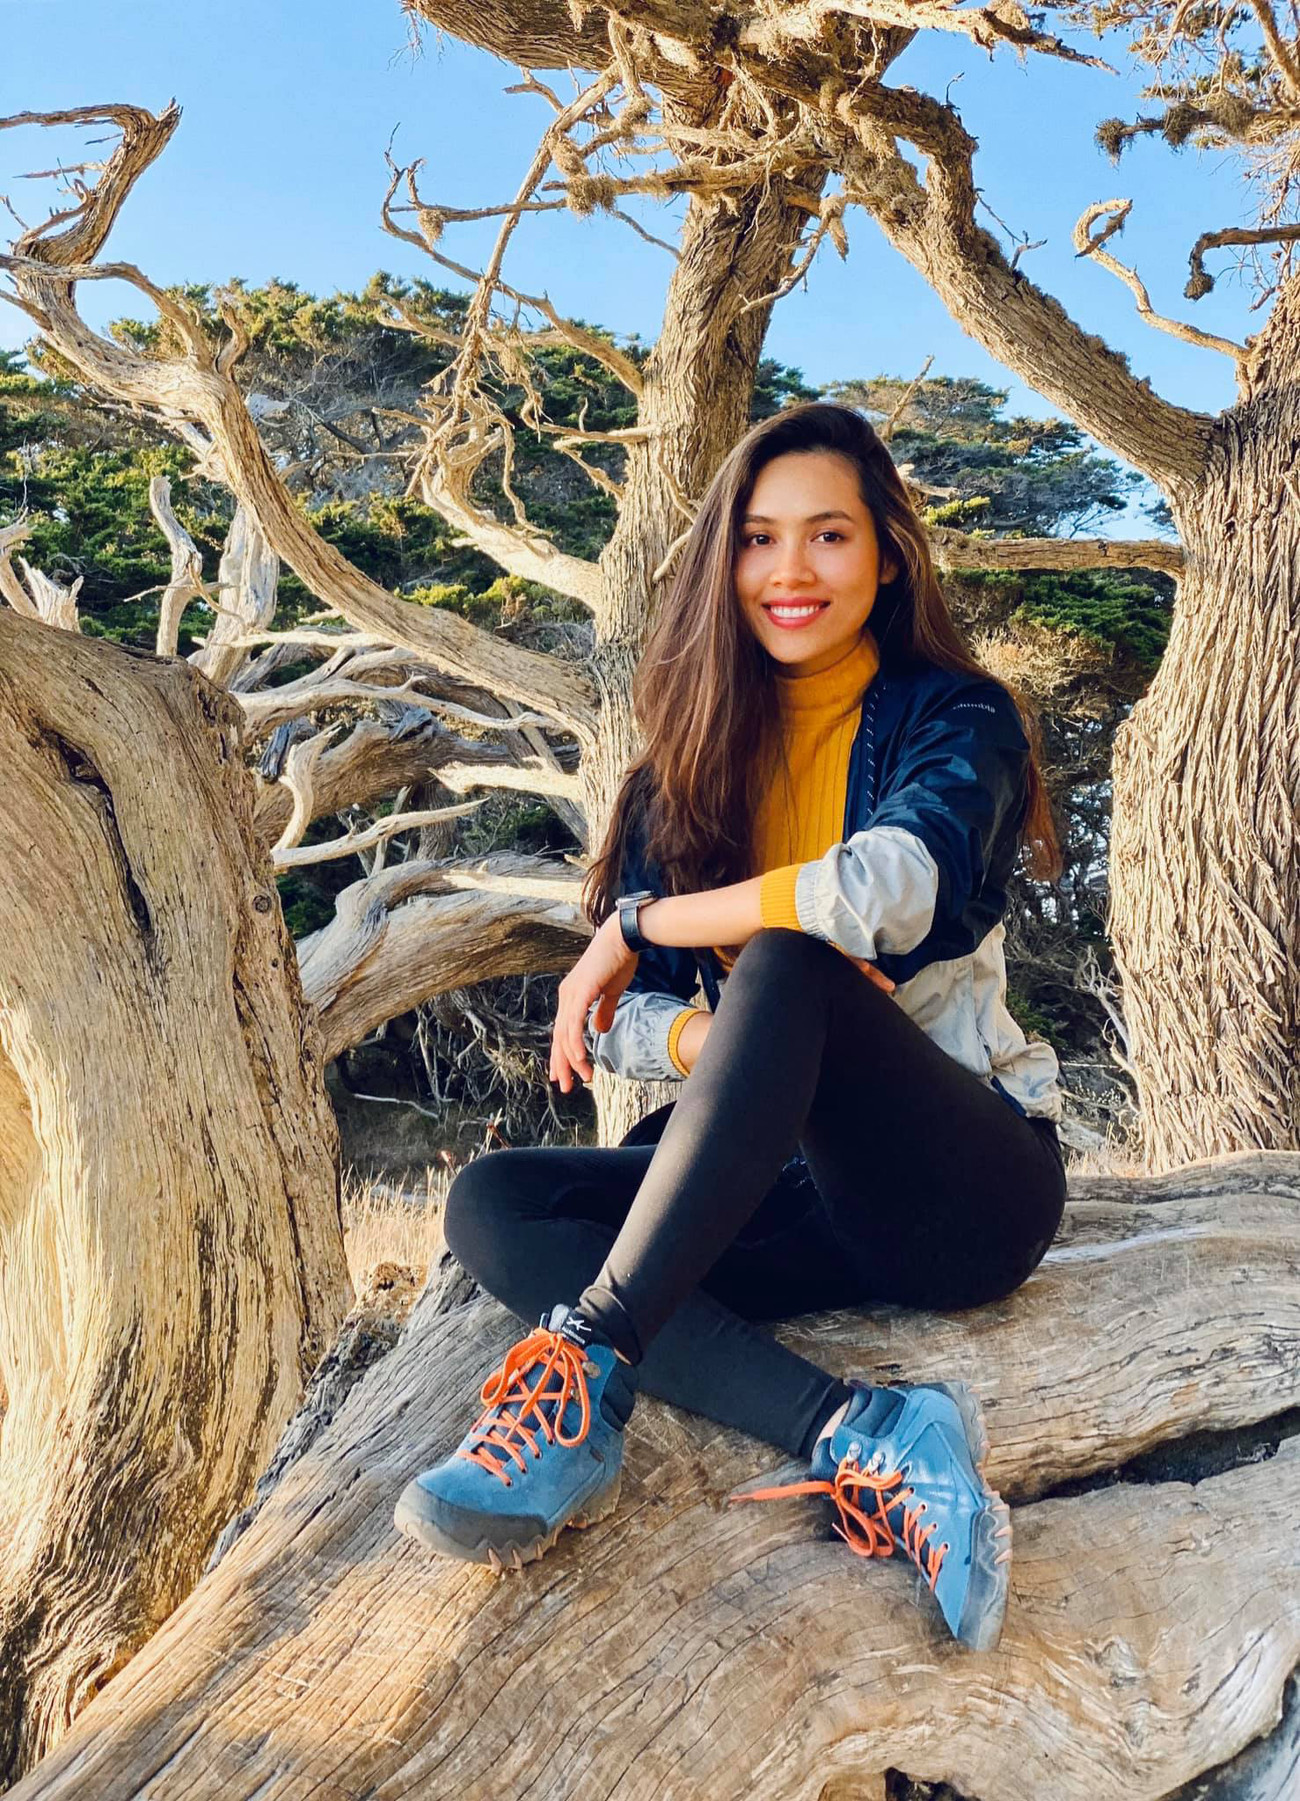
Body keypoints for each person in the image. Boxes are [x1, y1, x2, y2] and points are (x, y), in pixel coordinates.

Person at [393, 401, 1068, 1652]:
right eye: (759, 538)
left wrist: (649, 923)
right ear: (725, 561)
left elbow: (884, 888)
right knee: (493, 1202)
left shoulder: (958, 718)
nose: (790, 570)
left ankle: (584, 1370)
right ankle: (864, 1431)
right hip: (776, 1191)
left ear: (886, 557)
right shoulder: (687, 766)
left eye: (828, 535)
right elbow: (626, 1026)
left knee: (790, 956)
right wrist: (734, 1045)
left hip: (959, 1191)